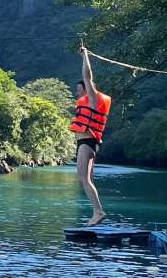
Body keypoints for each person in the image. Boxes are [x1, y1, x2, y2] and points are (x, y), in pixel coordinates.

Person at [71, 47, 112, 226]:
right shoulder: (86, 102)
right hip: (89, 142)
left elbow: (88, 76)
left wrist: (85, 55)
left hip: (88, 142)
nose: (77, 93)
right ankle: (96, 211)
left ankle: (98, 211)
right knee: (87, 179)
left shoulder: (94, 100)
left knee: (83, 178)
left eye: (79, 90)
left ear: (87, 90)